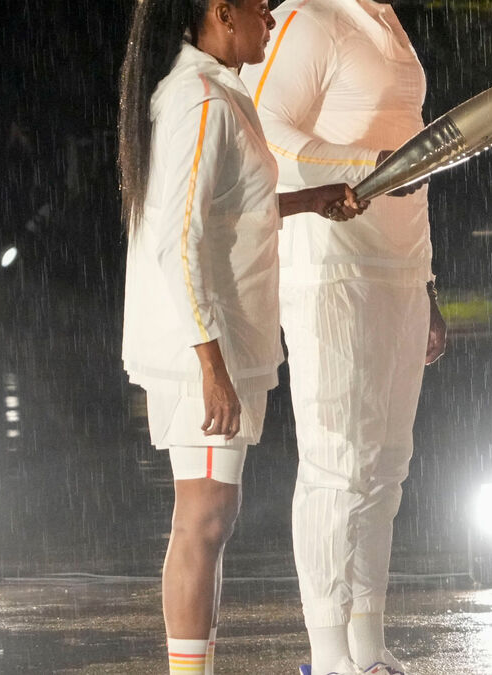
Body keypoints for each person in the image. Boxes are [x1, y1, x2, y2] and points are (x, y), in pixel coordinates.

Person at [117, 1, 366, 673]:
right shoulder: (199, 100)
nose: (271, 18)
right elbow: (178, 241)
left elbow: (232, 207)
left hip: (222, 339)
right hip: (199, 345)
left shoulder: (218, 93)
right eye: (260, 7)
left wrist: (310, 201)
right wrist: (210, 361)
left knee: (213, 516)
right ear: (221, 14)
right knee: (202, 518)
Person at [239, 2, 446, 673]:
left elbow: (407, 145)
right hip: (332, 266)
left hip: (401, 269)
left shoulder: (386, 22)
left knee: (386, 467)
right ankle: (327, 656)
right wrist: (369, 164)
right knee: (337, 465)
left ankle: (368, 647)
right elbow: (263, 133)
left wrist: (429, 286)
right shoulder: (304, 16)